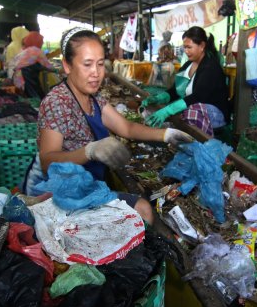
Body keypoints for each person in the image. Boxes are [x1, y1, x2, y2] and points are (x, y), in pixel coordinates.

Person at [23, 27, 194, 224]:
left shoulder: (94, 97)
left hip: (85, 185)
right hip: (56, 192)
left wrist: (166, 134)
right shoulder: (57, 102)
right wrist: (90, 151)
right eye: (87, 64)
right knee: (142, 211)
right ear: (67, 66)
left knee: (142, 210)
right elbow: (47, 161)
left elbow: (126, 128)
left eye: (100, 64)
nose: (96, 73)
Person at [143, 26, 230, 137]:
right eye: (184, 47)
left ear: (202, 46)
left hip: (215, 113)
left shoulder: (210, 67)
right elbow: (176, 90)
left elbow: (197, 97)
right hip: (194, 107)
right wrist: (158, 98)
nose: (186, 51)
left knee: (185, 112)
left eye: (189, 47)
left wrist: (168, 111)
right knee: (175, 109)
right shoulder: (188, 65)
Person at [12, 31, 57, 99]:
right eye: (41, 41)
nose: (42, 43)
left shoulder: (24, 50)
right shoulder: (36, 51)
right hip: (27, 78)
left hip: (17, 77)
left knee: (28, 98)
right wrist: (58, 70)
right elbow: (47, 66)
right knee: (36, 97)